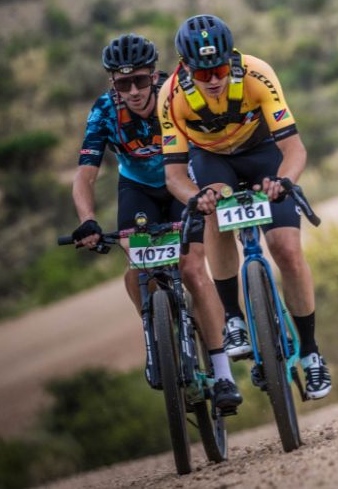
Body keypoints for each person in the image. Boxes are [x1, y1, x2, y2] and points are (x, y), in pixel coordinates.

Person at [157, 14, 332, 399]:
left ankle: (310, 352)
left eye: (219, 68)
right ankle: (233, 316)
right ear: (186, 69)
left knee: (287, 250)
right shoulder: (170, 97)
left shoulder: (257, 74)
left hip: (263, 153)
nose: (214, 79)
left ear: (231, 59)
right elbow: (173, 175)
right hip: (212, 160)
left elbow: (294, 148)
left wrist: (284, 181)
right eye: (203, 75)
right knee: (215, 206)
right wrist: (195, 198)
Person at [71, 33, 242, 413]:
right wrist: (87, 220)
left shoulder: (176, 93)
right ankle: (156, 340)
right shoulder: (104, 111)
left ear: (154, 75)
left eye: (141, 80)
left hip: (183, 183)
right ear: (111, 84)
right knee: (139, 269)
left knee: (194, 269)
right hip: (139, 189)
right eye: (122, 83)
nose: (133, 91)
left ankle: (222, 373)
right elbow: (85, 175)